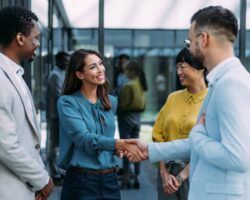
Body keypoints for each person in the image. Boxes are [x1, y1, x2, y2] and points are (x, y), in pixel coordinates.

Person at [126, 6, 250, 200]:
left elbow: (237, 157)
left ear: (203, 39)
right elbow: (211, 143)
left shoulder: (231, 83)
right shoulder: (222, 81)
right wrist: (150, 149)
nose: (190, 47)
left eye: (190, 41)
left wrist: (198, 134)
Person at [57, 49, 143, 200]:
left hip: (110, 179)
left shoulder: (111, 102)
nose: (100, 69)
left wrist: (116, 150)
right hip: (81, 182)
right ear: (79, 74)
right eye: (92, 67)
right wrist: (118, 144)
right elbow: (84, 139)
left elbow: (105, 139)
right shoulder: (67, 103)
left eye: (100, 64)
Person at [0, 6, 54, 200]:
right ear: (20, 38)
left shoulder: (15, 74)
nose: (38, 44)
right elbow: (5, 144)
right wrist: (42, 180)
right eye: (36, 38)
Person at [152, 48, 207, 200]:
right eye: (177, 67)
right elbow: (158, 136)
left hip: (197, 174)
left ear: (199, 68)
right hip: (167, 175)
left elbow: (210, 142)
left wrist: (182, 176)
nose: (178, 72)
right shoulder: (173, 98)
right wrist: (163, 173)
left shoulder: (212, 100)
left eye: (182, 66)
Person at [118, 60, 148, 189]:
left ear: (132, 72)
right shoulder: (141, 85)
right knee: (137, 148)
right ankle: (137, 176)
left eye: (127, 71)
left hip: (126, 118)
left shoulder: (128, 86)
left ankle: (126, 178)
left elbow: (123, 105)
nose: (125, 74)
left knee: (126, 148)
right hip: (137, 118)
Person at [46, 51, 70, 181]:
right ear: (58, 61)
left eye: (68, 61)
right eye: (65, 61)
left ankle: (58, 170)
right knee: (54, 145)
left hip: (60, 114)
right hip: (56, 115)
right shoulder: (55, 75)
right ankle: (54, 173)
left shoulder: (61, 74)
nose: (67, 63)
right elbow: (61, 95)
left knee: (58, 144)